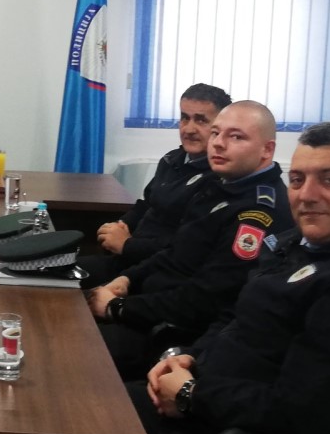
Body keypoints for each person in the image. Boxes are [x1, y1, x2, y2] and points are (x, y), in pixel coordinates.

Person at [132, 122, 330, 434]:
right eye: (297, 179)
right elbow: (236, 318)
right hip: (205, 405)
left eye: (329, 180)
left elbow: (306, 414)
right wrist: (187, 357)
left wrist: (191, 394)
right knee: (89, 403)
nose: (306, 195)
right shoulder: (298, 244)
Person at [87, 101, 295, 378]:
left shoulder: (256, 214)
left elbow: (203, 301)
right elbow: (174, 253)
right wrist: (127, 279)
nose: (218, 143)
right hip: (153, 305)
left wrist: (118, 309)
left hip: (177, 335)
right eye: (216, 133)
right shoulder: (220, 185)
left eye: (236, 137)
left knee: (72, 347)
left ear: (266, 150)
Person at [80, 84, 232, 289]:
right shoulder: (172, 159)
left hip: (159, 275)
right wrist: (120, 226)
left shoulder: (219, 179)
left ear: (220, 128)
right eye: (184, 118)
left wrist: (128, 245)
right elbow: (146, 204)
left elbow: (184, 247)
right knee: (52, 271)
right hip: (128, 260)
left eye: (201, 120)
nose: (189, 129)